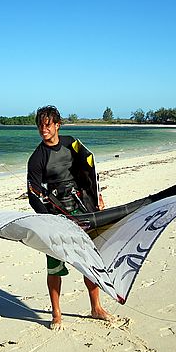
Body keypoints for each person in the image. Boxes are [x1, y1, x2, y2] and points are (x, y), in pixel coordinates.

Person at [27, 105, 112, 330]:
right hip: (55, 212)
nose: (43, 129)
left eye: (47, 124)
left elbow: (88, 169)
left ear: (57, 125)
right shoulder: (36, 158)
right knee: (54, 264)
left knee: (90, 259)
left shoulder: (71, 142)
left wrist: (97, 196)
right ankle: (56, 314)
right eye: (40, 125)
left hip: (81, 206)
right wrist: (48, 220)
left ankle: (96, 307)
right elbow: (33, 195)